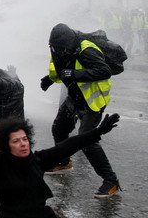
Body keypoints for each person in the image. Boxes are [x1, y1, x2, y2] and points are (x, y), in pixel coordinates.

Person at [0, 111, 121, 216]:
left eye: (24, 139)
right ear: (6, 146)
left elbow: (69, 145)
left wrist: (98, 131)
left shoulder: (38, 160)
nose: (23, 143)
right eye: (16, 141)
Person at [40, 23, 120, 197]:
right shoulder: (60, 48)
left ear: (68, 43)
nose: (57, 51)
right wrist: (49, 79)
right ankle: (63, 162)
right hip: (75, 97)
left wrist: (75, 75)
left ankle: (111, 181)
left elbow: (104, 71)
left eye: (60, 48)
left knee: (87, 139)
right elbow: (62, 69)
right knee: (59, 127)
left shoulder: (86, 49)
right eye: (54, 47)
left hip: (93, 100)